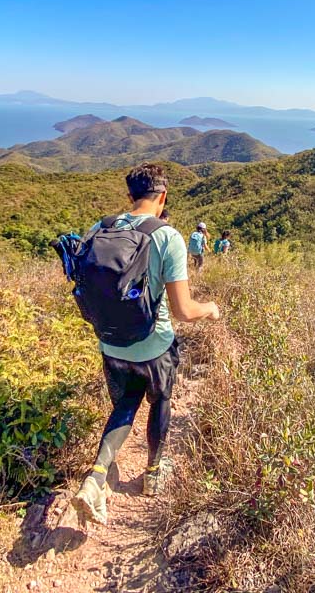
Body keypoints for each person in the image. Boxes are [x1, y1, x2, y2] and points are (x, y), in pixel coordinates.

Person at [71, 163, 221, 525]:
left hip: (110, 343)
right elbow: (184, 310)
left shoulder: (100, 228)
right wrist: (210, 309)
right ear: (163, 196)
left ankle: (95, 478)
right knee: (161, 401)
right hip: (154, 345)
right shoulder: (168, 237)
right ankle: (153, 473)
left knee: (126, 403)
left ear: (129, 197)